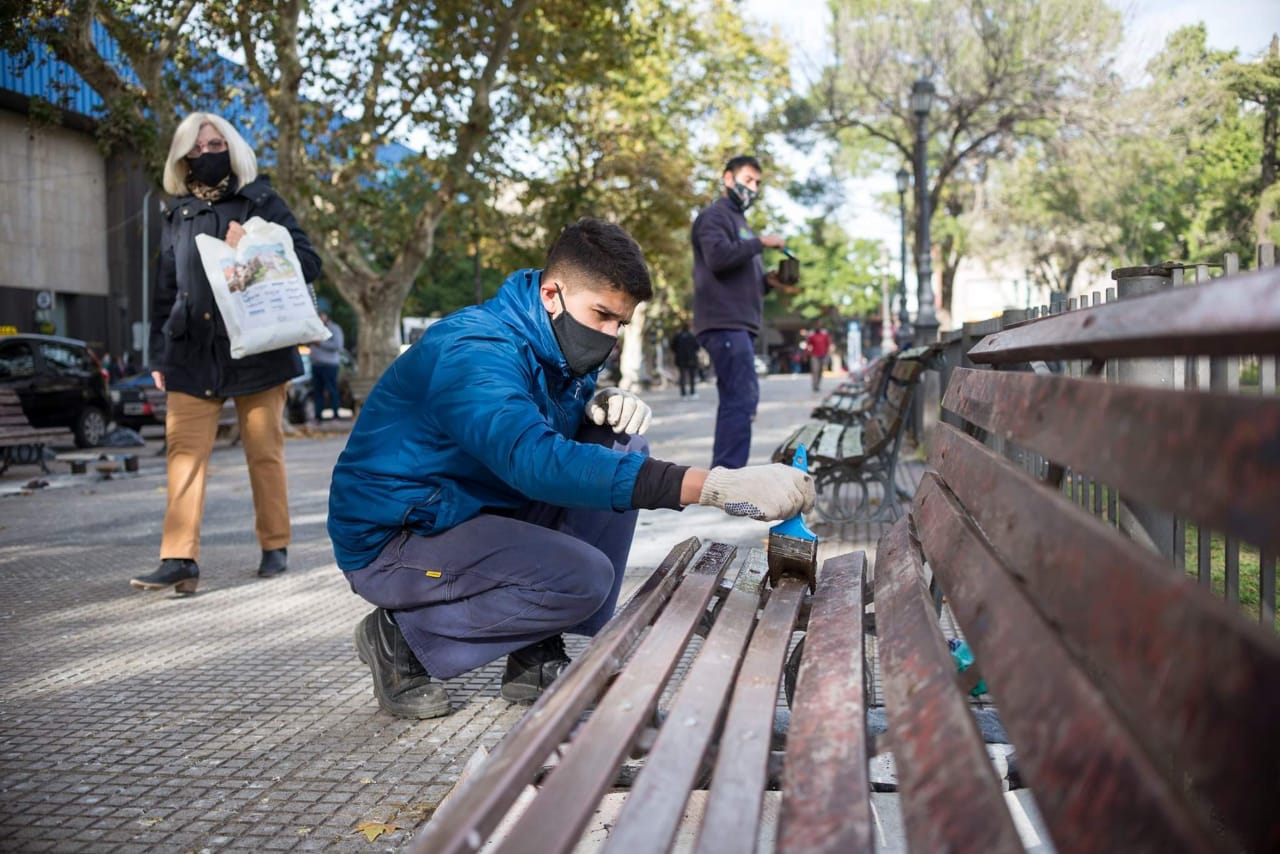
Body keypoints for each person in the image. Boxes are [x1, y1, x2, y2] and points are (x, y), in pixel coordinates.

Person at [327, 218, 814, 719]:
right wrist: (713, 486)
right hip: (397, 538)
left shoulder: (556, 345)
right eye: (602, 315)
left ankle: (534, 653)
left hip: (472, 508)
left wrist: (595, 404)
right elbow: (532, 460)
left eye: (620, 323)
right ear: (552, 294)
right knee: (582, 579)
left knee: (622, 446)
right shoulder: (473, 350)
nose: (609, 336)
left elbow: (556, 438)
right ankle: (400, 638)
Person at [129, 111, 321, 595]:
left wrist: (256, 245)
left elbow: (309, 263)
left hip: (257, 349)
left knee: (264, 452)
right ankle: (179, 559)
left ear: (232, 149)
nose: (207, 154)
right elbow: (165, 290)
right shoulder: (177, 213)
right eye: (196, 149)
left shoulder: (261, 200)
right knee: (183, 456)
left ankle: (274, 547)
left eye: (215, 145)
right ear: (182, 157)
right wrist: (157, 356)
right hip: (191, 352)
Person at [691, 155, 789, 468]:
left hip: (738, 323)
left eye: (758, 182)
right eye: (748, 180)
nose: (754, 187)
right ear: (728, 179)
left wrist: (769, 281)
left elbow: (744, 277)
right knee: (740, 398)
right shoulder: (714, 216)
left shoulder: (741, 223)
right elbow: (718, 257)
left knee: (740, 398)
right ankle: (729, 478)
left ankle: (726, 473)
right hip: (724, 322)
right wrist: (761, 242)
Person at [309, 297, 345, 421]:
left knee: (332, 390)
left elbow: (338, 346)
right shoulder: (313, 329)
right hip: (316, 364)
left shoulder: (334, 329)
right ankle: (318, 416)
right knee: (317, 392)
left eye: (321, 315)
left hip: (330, 365)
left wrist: (320, 344)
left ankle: (335, 414)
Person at [671, 322, 701, 399]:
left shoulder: (678, 336)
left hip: (681, 359)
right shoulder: (692, 336)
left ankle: (683, 393)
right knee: (692, 376)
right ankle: (692, 392)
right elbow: (697, 347)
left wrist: (678, 353)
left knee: (682, 376)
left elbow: (672, 347)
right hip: (691, 359)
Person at [807, 320, 832, 392]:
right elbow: (808, 344)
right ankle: (814, 384)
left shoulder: (824, 334)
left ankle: (818, 384)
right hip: (814, 355)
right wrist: (808, 352)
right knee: (815, 370)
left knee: (820, 370)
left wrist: (828, 353)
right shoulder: (812, 334)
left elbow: (828, 344)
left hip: (823, 355)